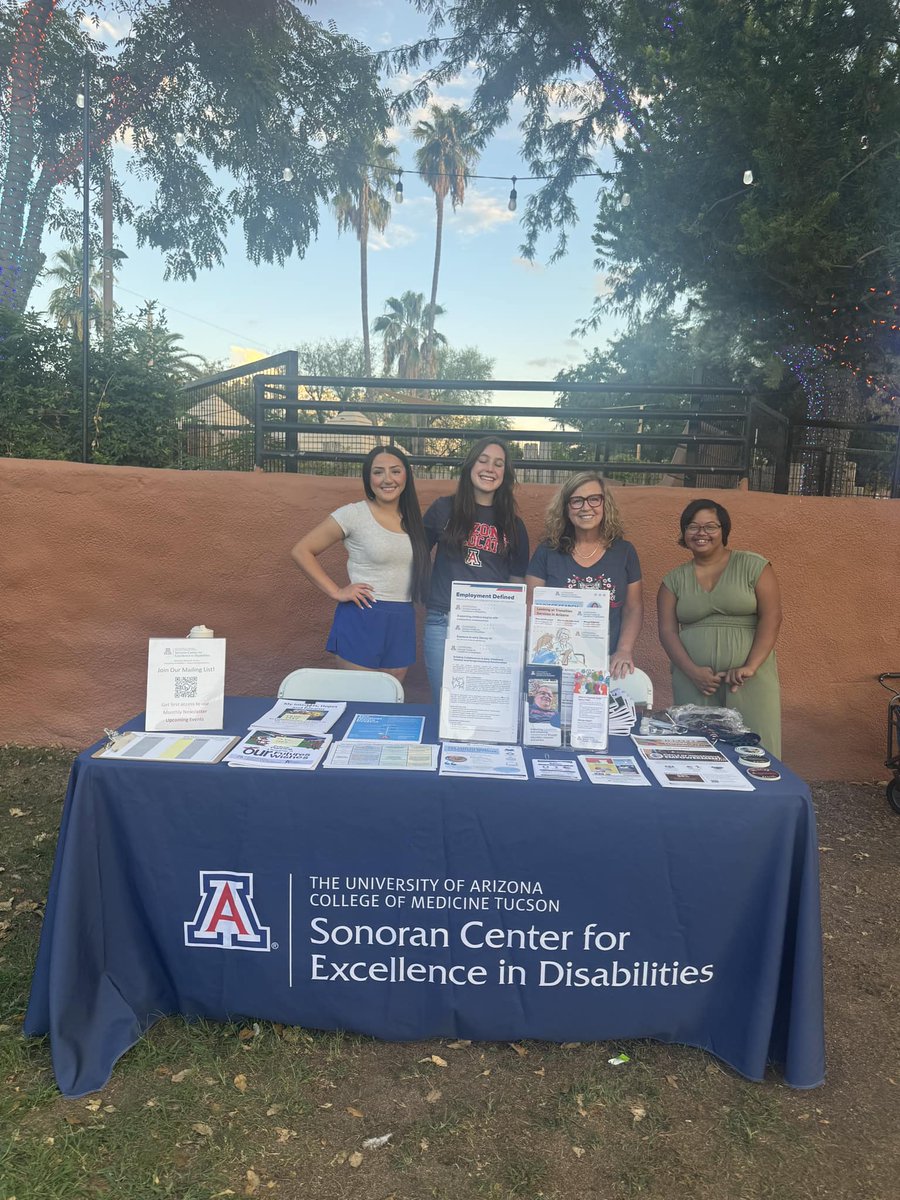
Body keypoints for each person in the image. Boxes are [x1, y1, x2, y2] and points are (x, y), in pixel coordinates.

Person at [290, 445, 430, 683]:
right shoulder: (353, 514)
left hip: (401, 619)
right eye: (378, 472)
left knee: (390, 699)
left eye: (395, 471)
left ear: (406, 475)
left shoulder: (412, 521)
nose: (387, 479)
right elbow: (301, 551)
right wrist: (336, 591)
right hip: (363, 616)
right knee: (362, 697)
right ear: (368, 478)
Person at [657, 498, 783, 756]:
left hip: (749, 678)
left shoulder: (754, 566)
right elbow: (667, 631)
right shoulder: (673, 580)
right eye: (693, 526)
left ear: (724, 531)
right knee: (698, 748)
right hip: (694, 679)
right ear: (684, 533)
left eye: (710, 526)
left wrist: (750, 666)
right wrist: (693, 672)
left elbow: (772, 617)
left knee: (758, 746)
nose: (701, 533)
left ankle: (761, 796)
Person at [423, 437, 530, 698]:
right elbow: (415, 554)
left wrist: (512, 634)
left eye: (498, 464)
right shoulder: (443, 509)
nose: (489, 469)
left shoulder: (514, 526)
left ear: (505, 474)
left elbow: (517, 584)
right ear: (470, 466)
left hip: (492, 627)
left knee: (484, 706)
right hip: (443, 621)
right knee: (445, 705)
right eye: (483, 461)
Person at [525, 472, 643, 679]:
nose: (586, 507)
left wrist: (624, 649)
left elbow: (633, 608)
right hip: (556, 662)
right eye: (577, 501)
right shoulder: (547, 552)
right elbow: (530, 607)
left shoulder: (624, 552)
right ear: (566, 508)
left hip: (607, 664)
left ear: (605, 505)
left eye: (594, 499)